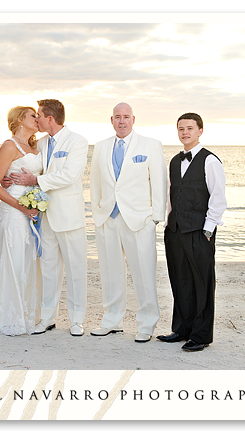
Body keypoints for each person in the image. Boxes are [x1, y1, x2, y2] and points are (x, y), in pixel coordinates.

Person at [10, 99, 88, 337]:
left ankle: (76, 320)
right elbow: (31, 167)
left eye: (39, 116)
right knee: (48, 269)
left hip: (69, 216)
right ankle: (47, 318)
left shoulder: (78, 141)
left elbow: (69, 175)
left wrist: (35, 181)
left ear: (50, 118)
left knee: (76, 269)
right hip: (45, 216)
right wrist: (10, 179)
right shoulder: (41, 143)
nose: (37, 120)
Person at [89, 102, 167, 342]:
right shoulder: (101, 147)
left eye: (126, 117)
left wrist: (156, 216)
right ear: (111, 120)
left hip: (139, 219)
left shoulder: (150, 145)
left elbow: (160, 182)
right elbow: (95, 184)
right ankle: (112, 320)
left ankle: (146, 323)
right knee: (111, 272)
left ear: (133, 119)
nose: (121, 121)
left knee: (143, 272)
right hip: (108, 218)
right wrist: (97, 213)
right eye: (117, 117)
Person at [157, 113, 227, 352]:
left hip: (199, 231)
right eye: (180, 129)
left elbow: (218, 198)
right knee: (180, 280)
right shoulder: (175, 161)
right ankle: (182, 329)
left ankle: (201, 335)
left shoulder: (210, 161)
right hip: (175, 230)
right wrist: (168, 222)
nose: (185, 133)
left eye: (189, 128)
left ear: (200, 131)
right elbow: (171, 196)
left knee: (202, 283)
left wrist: (208, 229)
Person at [0, 106, 43, 336]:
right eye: (33, 116)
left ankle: (27, 316)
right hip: (14, 212)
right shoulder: (10, 145)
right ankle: (9, 319)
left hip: (33, 213)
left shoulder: (36, 147)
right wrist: (21, 207)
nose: (37, 119)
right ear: (20, 120)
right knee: (14, 261)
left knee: (29, 262)